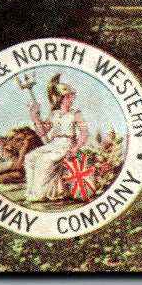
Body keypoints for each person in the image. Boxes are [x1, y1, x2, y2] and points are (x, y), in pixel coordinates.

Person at [23, 74, 90, 203]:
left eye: (71, 96)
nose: (71, 99)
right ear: (61, 98)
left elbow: (84, 133)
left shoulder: (76, 113)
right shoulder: (54, 114)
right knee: (30, 157)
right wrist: (36, 117)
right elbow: (42, 131)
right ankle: (30, 190)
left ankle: (38, 194)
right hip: (53, 145)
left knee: (44, 160)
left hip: (66, 145)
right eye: (68, 97)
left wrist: (75, 148)